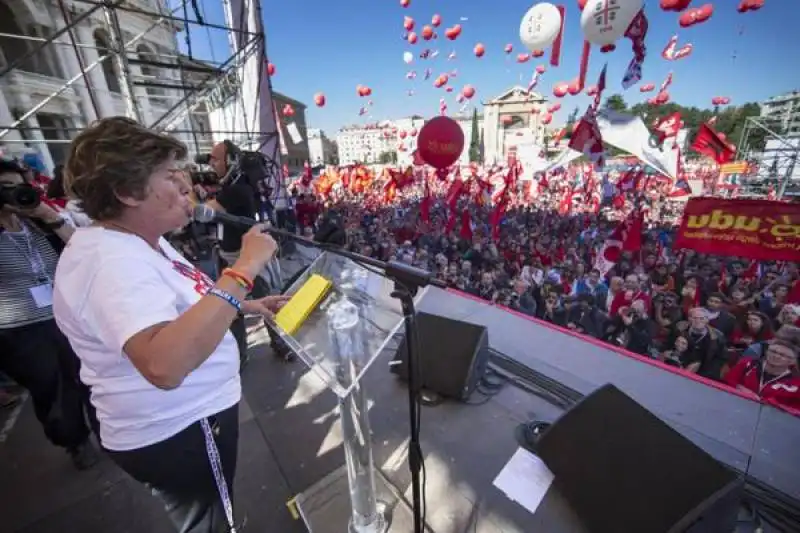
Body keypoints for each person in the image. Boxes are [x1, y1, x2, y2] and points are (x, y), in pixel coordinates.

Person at [52, 117, 288, 532]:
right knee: (214, 523)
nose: (186, 185)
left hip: (187, 421)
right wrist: (246, 266)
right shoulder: (111, 261)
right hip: (182, 427)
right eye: (169, 176)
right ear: (126, 191)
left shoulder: (141, 241)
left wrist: (244, 305)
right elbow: (164, 365)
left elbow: (179, 309)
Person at [0, 157, 97, 469]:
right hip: (20, 329)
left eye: (19, 187)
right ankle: (74, 441)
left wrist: (46, 215)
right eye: (5, 189)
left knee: (92, 378)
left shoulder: (38, 223)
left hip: (66, 314)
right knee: (53, 389)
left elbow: (82, 249)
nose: (14, 195)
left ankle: (107, 432)